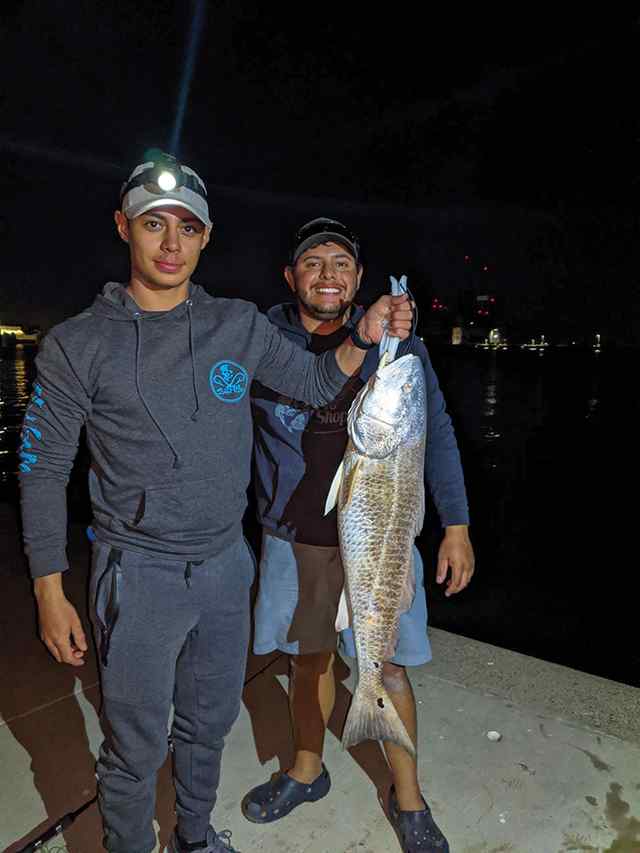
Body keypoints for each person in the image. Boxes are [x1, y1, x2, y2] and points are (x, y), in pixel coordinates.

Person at [18, 156, 413, 853]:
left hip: (228, 568)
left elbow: (318, 383)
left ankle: (196, 837)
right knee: (134, 747)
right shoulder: (76, 345)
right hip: (137, 575)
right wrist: (51, 589)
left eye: (187, 228)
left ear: (206, 238)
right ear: (124, 228)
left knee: (208, 726)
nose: (171, 244)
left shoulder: (238, 325)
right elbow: (42, 469)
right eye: (153, 224)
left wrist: (363, 333)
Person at [244, 218, 475, 853]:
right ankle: (305, 770)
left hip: (384, 535)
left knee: (389, 666)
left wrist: (455, 524)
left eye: (340, 263)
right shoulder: (261, 341)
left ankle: (409, 800)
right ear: (291, 277)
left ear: (359, 280)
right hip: (295, 537)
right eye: (312, 263)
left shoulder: (395, 347)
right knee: (308, 659)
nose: (327, 274)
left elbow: (439, 435)